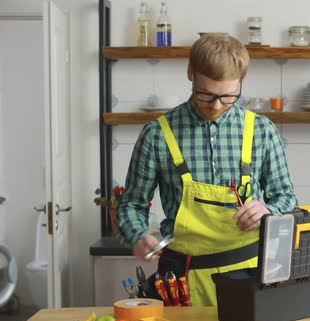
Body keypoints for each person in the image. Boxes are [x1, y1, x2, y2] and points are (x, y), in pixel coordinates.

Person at [116, 34, 297, 306]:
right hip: (180, 282)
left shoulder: (262, 130)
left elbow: (286, 197)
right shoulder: (157, 135)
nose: (216, 106)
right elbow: (131, 205)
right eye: (206, 94)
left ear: (241, 82)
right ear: (190, 73)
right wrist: (138, 234)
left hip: (250, 277)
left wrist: (269, 212)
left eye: (228, 97)